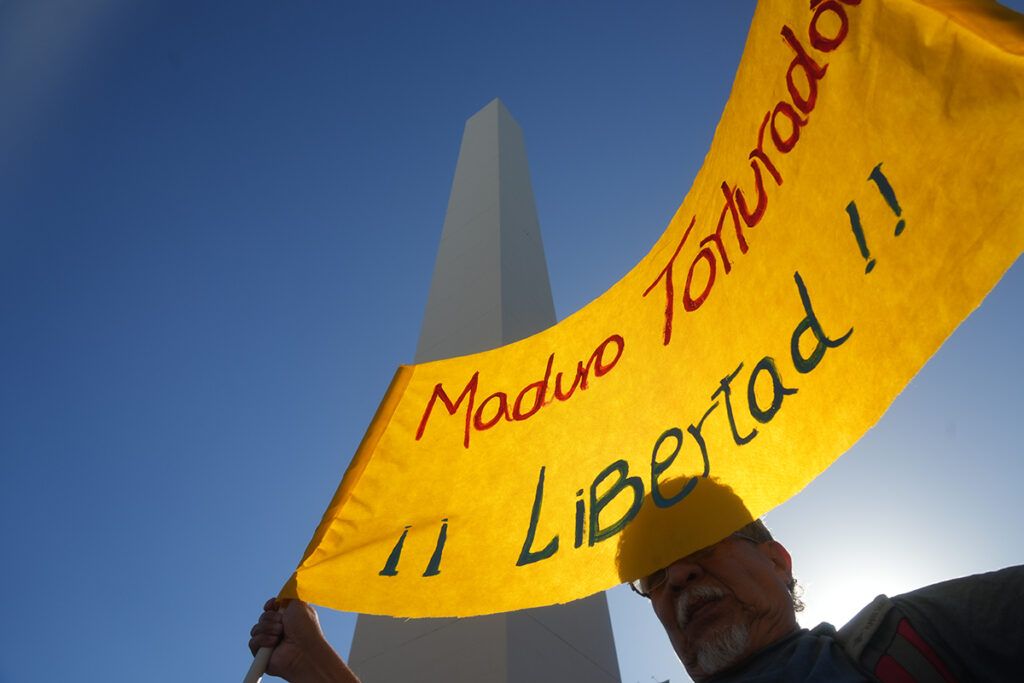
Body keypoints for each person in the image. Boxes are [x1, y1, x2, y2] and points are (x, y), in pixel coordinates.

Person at [249, 519, 1023, 682]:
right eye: (655, 577)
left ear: (778, 559)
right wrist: (317, 666)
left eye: (702, 548)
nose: (679, 580)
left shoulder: (912, 638)